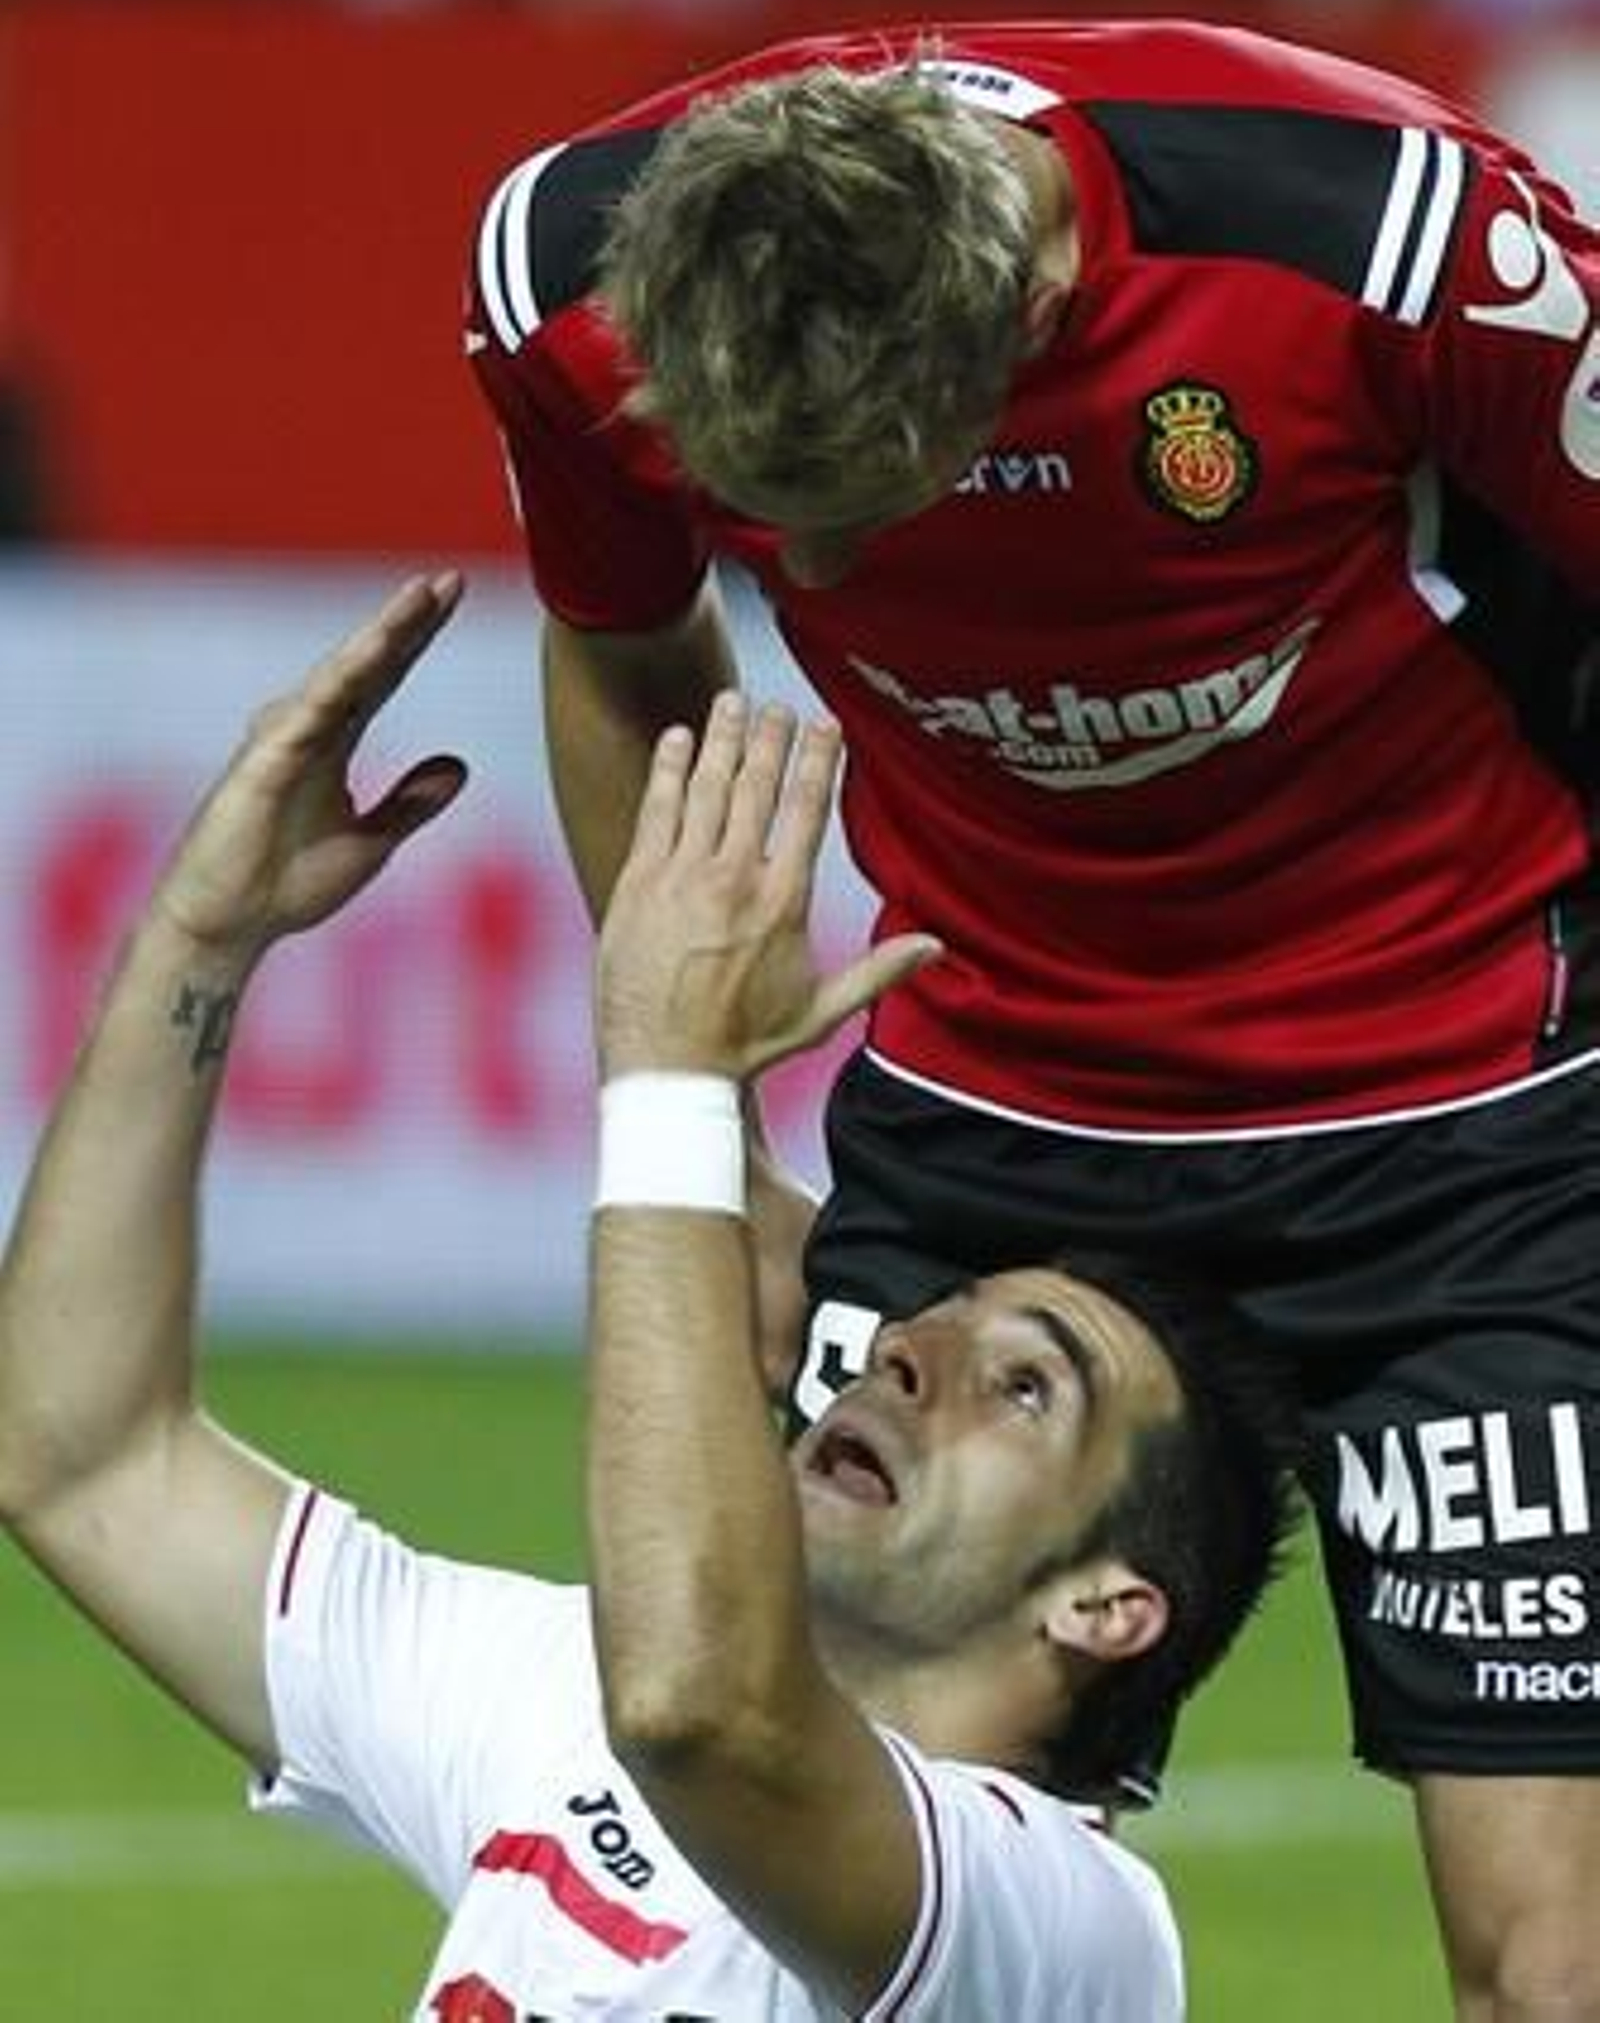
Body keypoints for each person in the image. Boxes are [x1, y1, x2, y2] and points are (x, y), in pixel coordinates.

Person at [464, 17, 1600, 2019]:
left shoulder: (1394, 240)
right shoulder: (568, 281)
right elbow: (624, 642)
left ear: (1018, 333)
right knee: (745, 1861)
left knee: (1548, 1957)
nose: (812, 573)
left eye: (854, 514)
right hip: (987, 1103)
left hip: (1465, 1117)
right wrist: (712, 1148)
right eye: (772, 524)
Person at [0, 577, 1297, 2019]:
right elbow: (83, 1451)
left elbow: (703, 1710)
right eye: (947, 1321)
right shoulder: (559, 1700)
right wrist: (195, 943)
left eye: (1029, 1385)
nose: (917, 1354)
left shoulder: (1060, 1926)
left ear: (1106, 1605)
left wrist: (671, 1079)